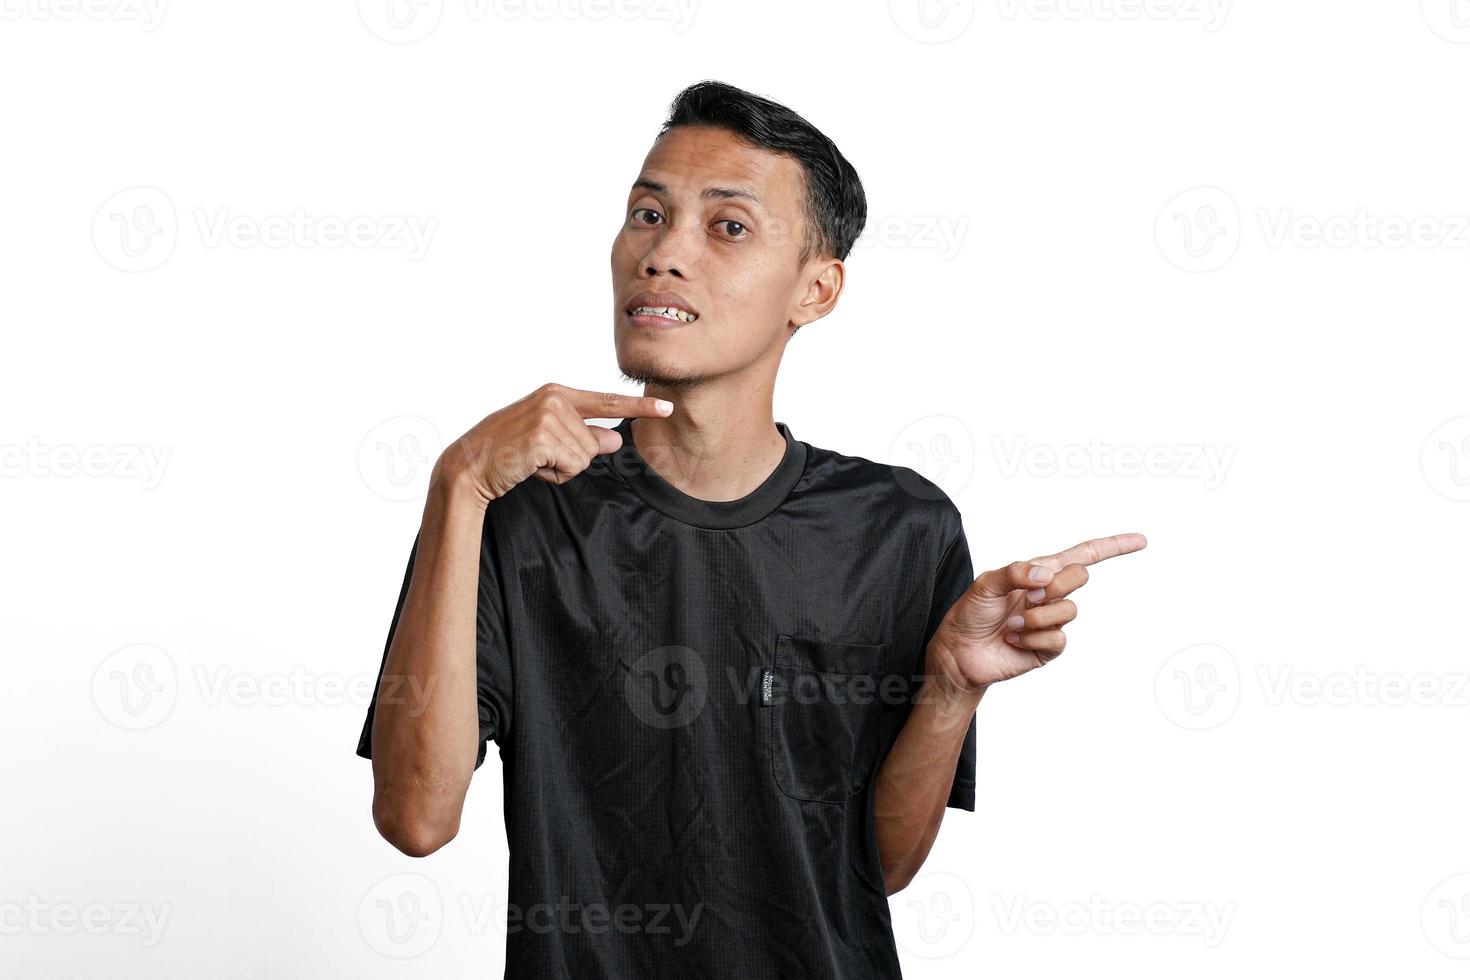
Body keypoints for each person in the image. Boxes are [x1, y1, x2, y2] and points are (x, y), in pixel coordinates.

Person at [356, 79, 1146, 979]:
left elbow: (877, 869)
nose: (663, 254)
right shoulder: (515, 509)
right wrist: (455, 485)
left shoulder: (898, 529)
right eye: (647, 214)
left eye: (726, 227)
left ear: (815, 290)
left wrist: (952, 689)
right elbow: (416, 819)